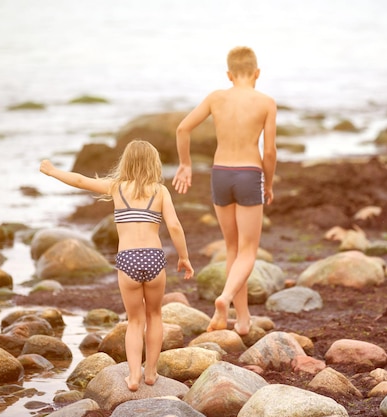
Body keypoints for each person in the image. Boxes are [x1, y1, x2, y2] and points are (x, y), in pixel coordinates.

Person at [40, 139, 194, 392]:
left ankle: (134, 376)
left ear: (127, 162)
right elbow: (175, 226)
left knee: (134, 321)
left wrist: (53, 171)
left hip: (128, 260)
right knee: (155, 316)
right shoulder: (160, 191)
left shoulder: (116, 187)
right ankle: (151, 372)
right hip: (154, 258)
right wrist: (184, 257)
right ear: (154, 164)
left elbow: (80, 181)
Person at [172, 46, 277, 336]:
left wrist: (185, 164)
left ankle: (241, 320)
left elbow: (183, 129)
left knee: (233, 248)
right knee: (248, 250)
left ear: (229, 74)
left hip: (220, 175)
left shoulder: (216, 97)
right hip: (248, 174)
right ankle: (225, 298)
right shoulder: (266, 102)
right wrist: (268, 183)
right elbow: (269, 152)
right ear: (257, 73)